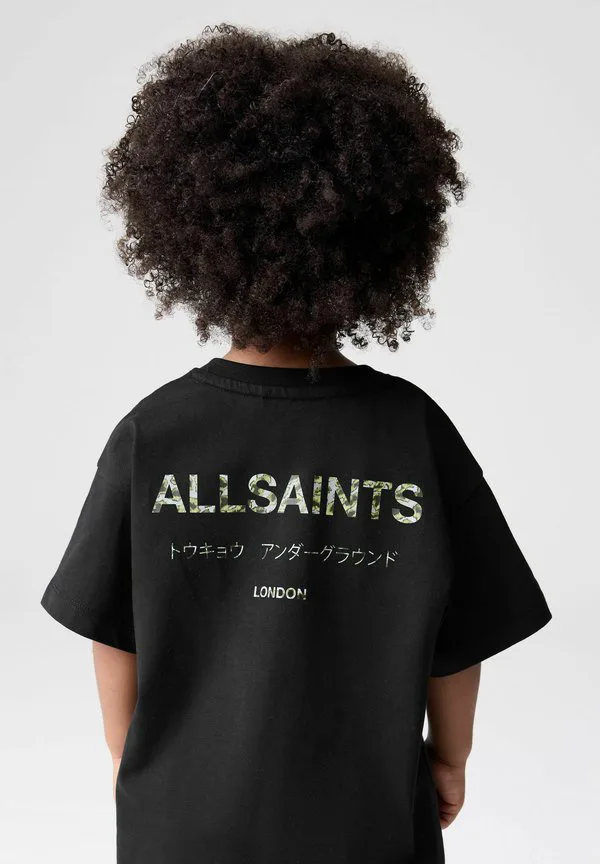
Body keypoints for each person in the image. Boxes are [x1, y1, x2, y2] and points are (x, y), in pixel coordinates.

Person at [40, 22, 552, 864]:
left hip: (184, 825)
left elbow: (113, 632)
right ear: (381, 236)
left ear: (194, 235)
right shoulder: (413, 432)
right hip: (367, 823)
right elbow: (457, 639)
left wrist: (136, 762)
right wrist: (450, 757)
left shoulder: (152, 433)